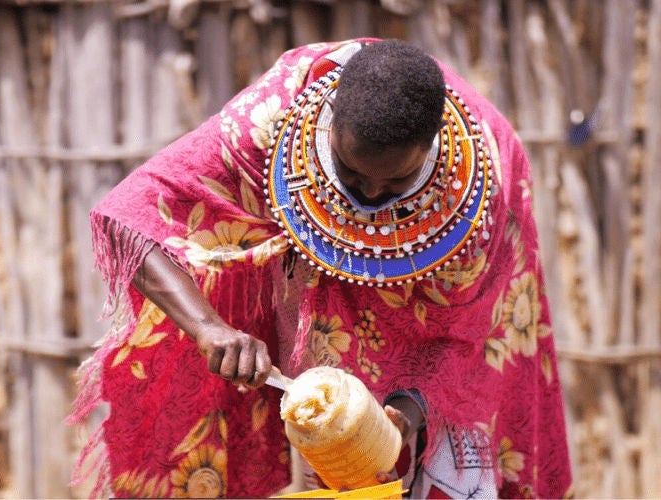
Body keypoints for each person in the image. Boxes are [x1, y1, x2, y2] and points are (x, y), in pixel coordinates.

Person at [69, 38, 573, 499]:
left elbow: (472, 336)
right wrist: (209, 329)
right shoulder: (272, 119)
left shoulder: (488, 185)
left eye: (396, 181)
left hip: (435, 328)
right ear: (330, 121)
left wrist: (413, 413)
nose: (370, 194)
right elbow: (127, 216)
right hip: (310, 305)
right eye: (351, 172)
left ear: (433, 146)